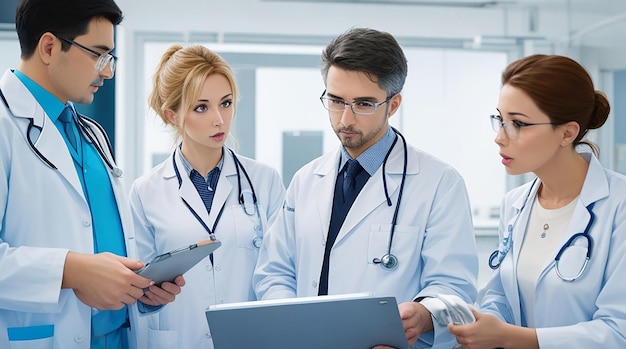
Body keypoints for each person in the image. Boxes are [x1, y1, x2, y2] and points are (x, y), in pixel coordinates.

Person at [253, 27, 479, 348]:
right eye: (335, 100)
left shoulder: (440, 183)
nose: (345, 119)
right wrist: (291, 321)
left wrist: (424, 314)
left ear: (394, 103)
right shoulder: (306, 180)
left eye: (363, 104)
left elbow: (455, 287)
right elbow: (274, 271)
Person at [0, 0, 184, 348]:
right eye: (99, 55)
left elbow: (100, 239)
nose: (108, 71)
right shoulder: (4, 126)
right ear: (50, 47)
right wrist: (71, 271)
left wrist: (138, 286)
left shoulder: (91, 133)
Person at [448, 54, 626, 348]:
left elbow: (618, 332)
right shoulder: (515, 203)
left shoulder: (619, 207)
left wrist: (510, 337)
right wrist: (481, 325)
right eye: (500, 120)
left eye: (517, 123)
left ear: (567, 133)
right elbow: (500, 295)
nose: (500, 137)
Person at [129, 44, 286, 349]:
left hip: (250, 339)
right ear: (172, 114)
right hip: (179, 339)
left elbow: (280, 271)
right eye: (201, 107)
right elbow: (138, 292)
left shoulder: (264, 181)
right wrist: (149, 299)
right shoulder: (146, 191)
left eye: (225, 103)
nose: (219, 119)